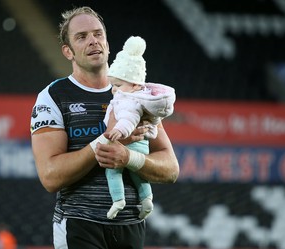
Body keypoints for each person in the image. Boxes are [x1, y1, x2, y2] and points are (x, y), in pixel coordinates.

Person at [30, 6, 179, 249]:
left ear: (108, 44)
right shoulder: (52, 97)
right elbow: (50, 176)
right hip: (80, 224)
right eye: (82, 37)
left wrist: (128, 157)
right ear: (67, 51)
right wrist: (108, 142)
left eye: (98, 34)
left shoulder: (138, 92)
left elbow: (171, 169)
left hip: (131, 225)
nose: (93, 41)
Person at [103, 35, 176, 220]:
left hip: (130, 146)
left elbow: (128, 118)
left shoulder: (128, 100)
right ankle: (147, 199)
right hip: (142, 148)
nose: (114, 90)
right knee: (139, 177)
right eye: (113, 85)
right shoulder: (144, 98)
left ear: (135, 84)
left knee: (112, 170)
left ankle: (118, 200)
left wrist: (120, 133)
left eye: (117, 85)